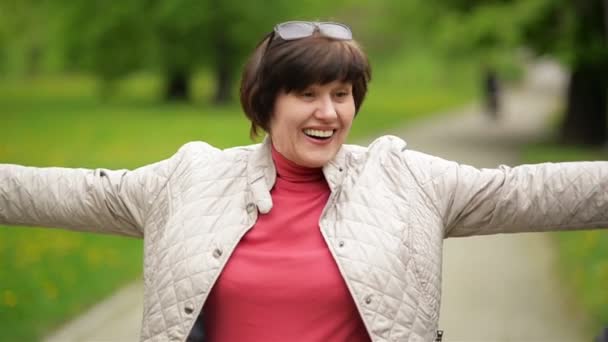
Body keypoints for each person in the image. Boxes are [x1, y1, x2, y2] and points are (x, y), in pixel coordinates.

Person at [1, 20, 607, 342]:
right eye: (307, 94)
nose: (330, 112)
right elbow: (67, 190)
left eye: (342, 94)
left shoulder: (404, 177)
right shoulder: (190, 178)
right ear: (264, 103)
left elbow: (530, 189)